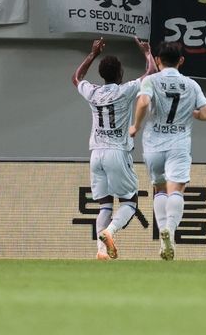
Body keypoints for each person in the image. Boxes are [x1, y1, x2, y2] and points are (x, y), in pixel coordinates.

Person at [72, 36, 157, 260]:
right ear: (120, 74)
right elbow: (152, 73)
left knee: (104, 205)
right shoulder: (124, 90)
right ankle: (109, 232)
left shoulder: (93, 92)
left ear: (102, 74)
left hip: (96, 154)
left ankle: (100, 251)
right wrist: (147, 52)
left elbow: (76, 77)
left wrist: (92, 54)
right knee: (130, 201)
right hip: (117, 152)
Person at [129, 42, 206, 260]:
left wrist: (135, 126)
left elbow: (143, 102)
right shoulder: (191, 85)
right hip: (179, 144)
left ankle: (162, 236)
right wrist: (192, 114)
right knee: (176, 189)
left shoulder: (151, 80)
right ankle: (171, 233)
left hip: (153, 144)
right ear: (181, 61)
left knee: (159, 189)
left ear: (158, 60)